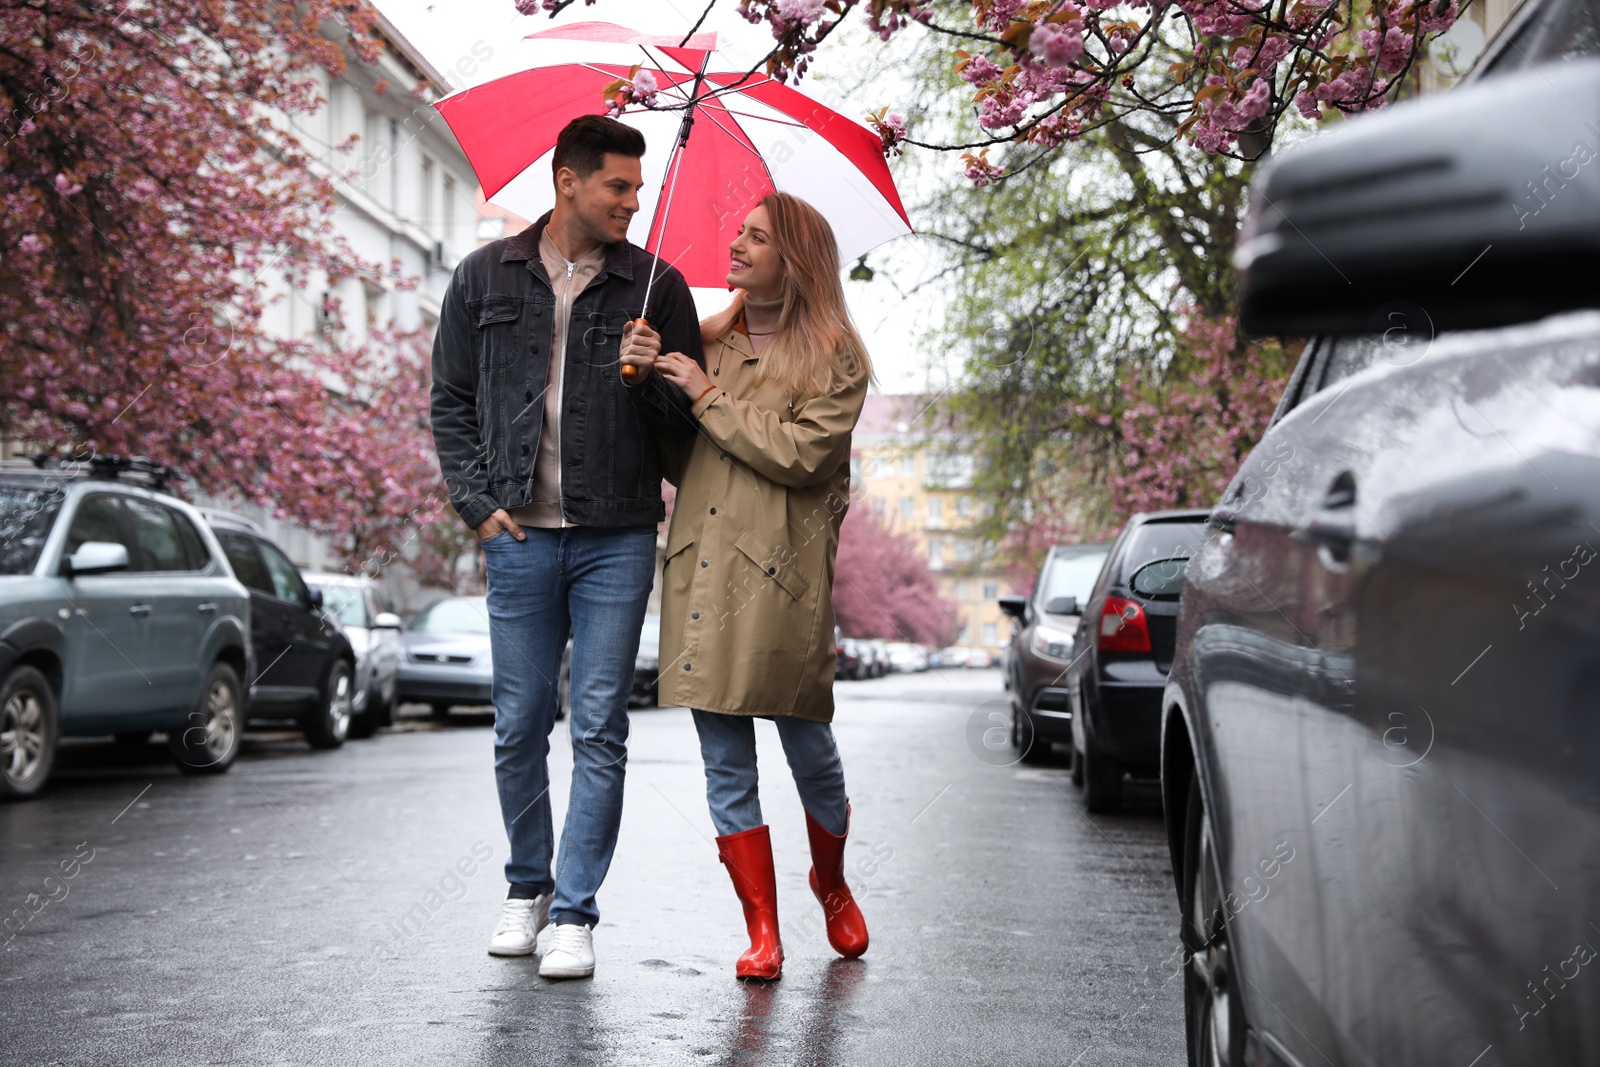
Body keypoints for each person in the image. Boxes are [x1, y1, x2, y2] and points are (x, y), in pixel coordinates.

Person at [429, 115, 703, 980]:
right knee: (516, 726)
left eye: (638, 186)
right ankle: (526, 886)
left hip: (616, 534)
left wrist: (655, 371)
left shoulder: (658, 289)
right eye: (618, 185)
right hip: (516, 535)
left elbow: (685, 432)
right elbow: (449, 399)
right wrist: (476, 505)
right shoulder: (483, 275)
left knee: (599, 728)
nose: (634, 201)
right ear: (567, 181)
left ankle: (577, 912)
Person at [653, 192, 873, 981]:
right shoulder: (707, 342)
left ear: (795, 260)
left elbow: (801, 457)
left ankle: (833, 882)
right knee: (725, 761)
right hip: (705, 568)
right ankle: (762, 929)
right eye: (737, 232)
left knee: (810, 749)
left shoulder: (835, 356)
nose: (737, 246)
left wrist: (706, 397)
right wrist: (651, 375)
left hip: (781, 578)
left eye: (756, 238)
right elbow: (685, 460)